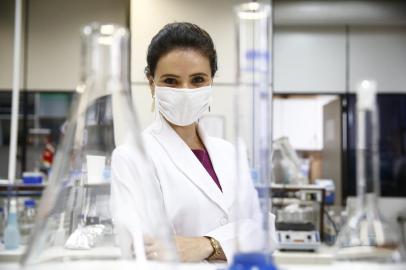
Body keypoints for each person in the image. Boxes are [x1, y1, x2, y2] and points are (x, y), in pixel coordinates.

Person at [111, 22, 277, 263]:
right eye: (171, 81)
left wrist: (207, 245)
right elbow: (147, 252)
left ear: (211, 82)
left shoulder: (229, 153)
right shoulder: (132, 156)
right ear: (151, 83)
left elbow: (265, 233)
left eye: (198, 79)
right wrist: (236, 240)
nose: (185, 91)